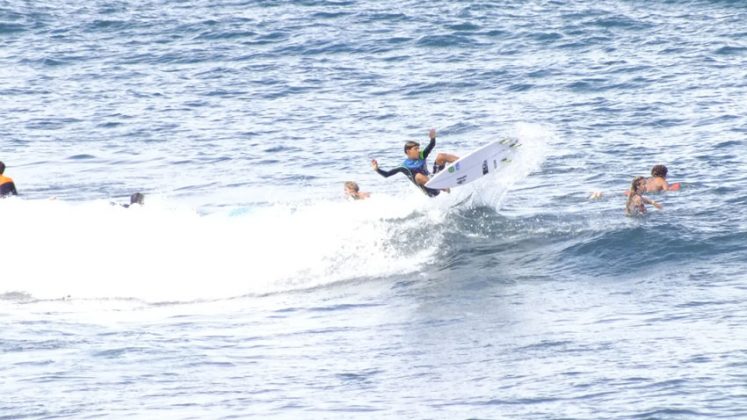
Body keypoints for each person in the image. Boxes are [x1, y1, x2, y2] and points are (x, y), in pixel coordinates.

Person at [370, 128, 459, 197]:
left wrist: (433, 138)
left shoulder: (421, 155)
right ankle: (443, 188)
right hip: (430, 189)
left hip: (434, 178)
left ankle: (462, 163)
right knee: (418, 177)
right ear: (408, 151)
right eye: (415, 149)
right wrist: (377, 169)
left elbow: (431, 145)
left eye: (418, 148)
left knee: (441, 156)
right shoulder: (404, 166)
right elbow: (387, 174)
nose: (418, 151)